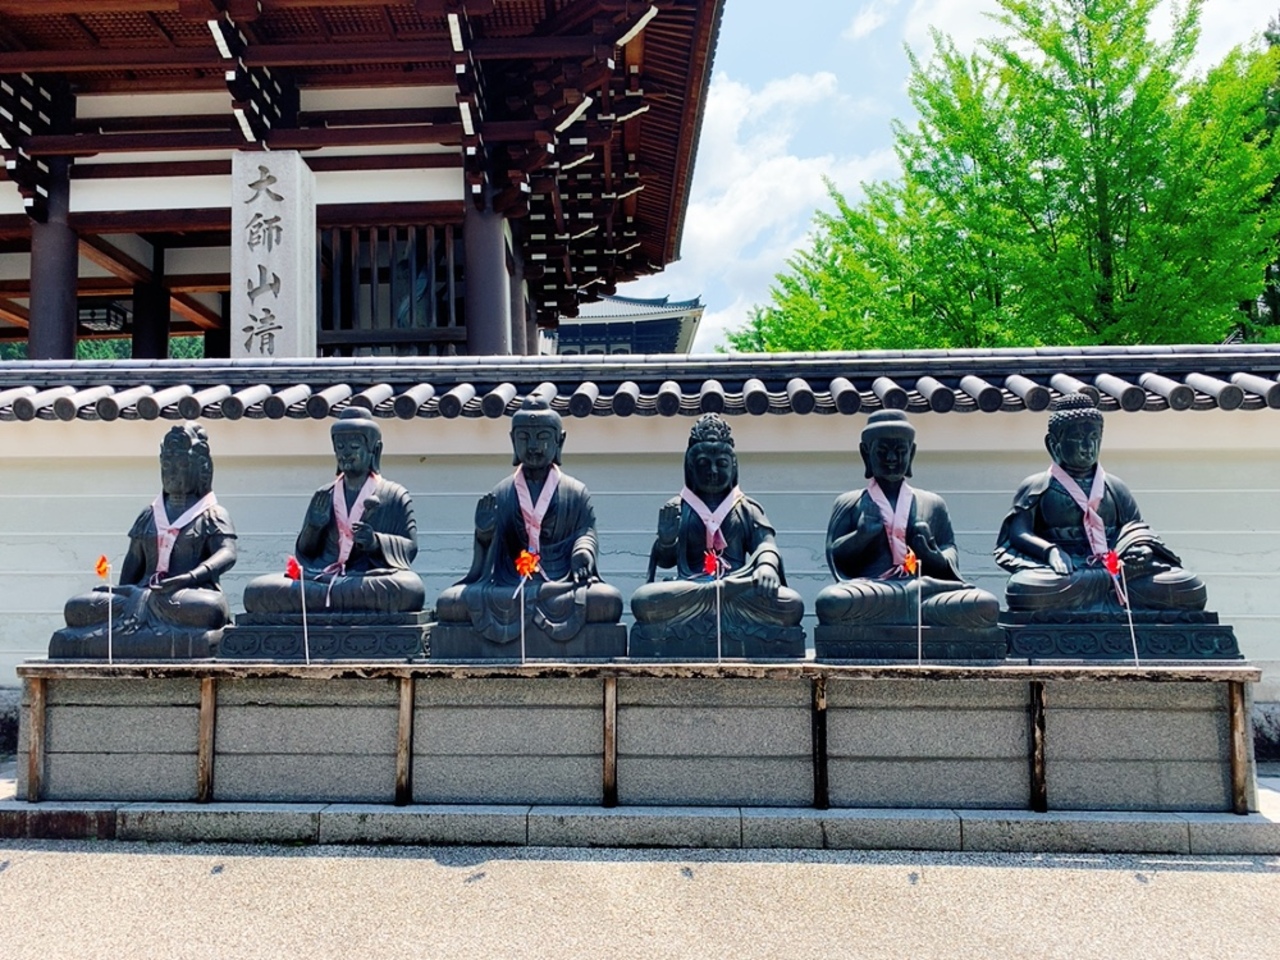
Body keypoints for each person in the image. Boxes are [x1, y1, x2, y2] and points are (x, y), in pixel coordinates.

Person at [995, 393, 1206, 612]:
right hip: (1066, 571)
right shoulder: (1039, 485)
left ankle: (1109, 592)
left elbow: (1135, 529)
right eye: (1078, 438)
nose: (1088, 445)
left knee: (1188, 585)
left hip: (1117, 567)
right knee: (1024, 587)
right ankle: (1104, 594)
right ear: (1053, 444)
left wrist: (1140, 549)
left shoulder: (1114, 486)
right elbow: (1018, 532)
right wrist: (1050, 551)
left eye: (1094, 437)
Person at [435, 396, 622, 643]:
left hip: (561, 581)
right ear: (513, 440)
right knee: (449, 603)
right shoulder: (502, 493)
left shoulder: (576, 492)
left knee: (607, 600)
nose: (533, 446)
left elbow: (585, 532)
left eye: (542, 437)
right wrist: (485, 534)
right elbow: (490, 559)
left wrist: (583, 553)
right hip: (511, 581)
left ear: (559, 441)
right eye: (524, 438)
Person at [54, 423, 237, 655]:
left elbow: (227, 552)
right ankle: (133, 630)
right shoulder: (149, 515)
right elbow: (134, 559)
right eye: (167, 465)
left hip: (183, 594)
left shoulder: (211, 514)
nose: (172, 473)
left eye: (180, 465)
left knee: (211, 609)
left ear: (199, 469)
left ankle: (124, 634)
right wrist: (122, 591)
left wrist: (189, 577)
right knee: (77, 606)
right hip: (139, 593)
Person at [630, 413, 804, 643]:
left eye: (721, 464)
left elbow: (766, 545)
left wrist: (766, 567)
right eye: (703, 464)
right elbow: (665, 561)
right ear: (690, 468)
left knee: (792, 603)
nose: (712, 471)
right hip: (691, 587)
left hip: (737, 585)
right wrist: (666, 541)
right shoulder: (679, 507)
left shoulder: (747, 507)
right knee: (643, 600)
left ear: (733, 467)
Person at [815, 410, 998, 628]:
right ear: (866, 454)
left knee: (984, 604)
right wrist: (861, 536)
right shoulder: (850, 502)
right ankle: (908, 612)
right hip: (873, 589)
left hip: (923, 587)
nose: (892, 458)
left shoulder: (933, 503)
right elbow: (835, 555)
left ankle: (909, 610)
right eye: (882, 451)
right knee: (831, 601)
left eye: (900, 451)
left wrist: (931, 554)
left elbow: (949, 550)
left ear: (912, 453)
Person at [242, 407, 425, 614]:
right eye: (339, 447)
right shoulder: (325, 494)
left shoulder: (394, 495)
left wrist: (376, 542)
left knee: (409, 588)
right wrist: (314, 528)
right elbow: (306, 552)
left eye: (353, 447)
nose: (345, 453)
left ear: (374, 450)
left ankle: (335, 599)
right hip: (322, 577)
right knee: (258, 590)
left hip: (366, 578)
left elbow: (410, 548)